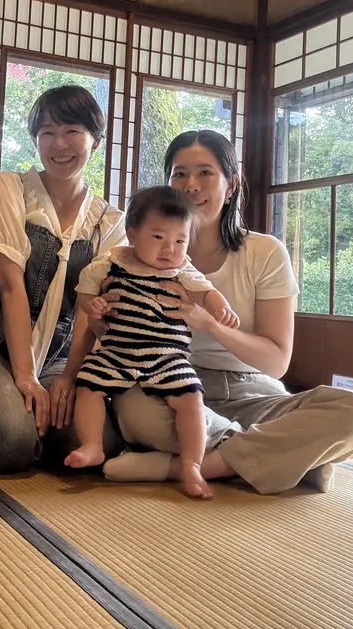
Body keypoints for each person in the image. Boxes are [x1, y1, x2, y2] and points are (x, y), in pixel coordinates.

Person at [99, 130, 353, 495]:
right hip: (169, 390)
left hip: (253, 393)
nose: (191, 185)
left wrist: (210, 324)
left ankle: (183, 467)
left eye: (205, 173)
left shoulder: (264, 253)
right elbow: (116, 337)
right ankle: (291, 457)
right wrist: (100, 317)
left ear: (230, 186)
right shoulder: (136, 257)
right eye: (179, 174)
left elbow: (276, 362)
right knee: (134, 413)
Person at [0, 85, 126, 472]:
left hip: (59, 356)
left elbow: (87, 309)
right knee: (7, 440)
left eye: (72, 130)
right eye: (47, 132)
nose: (59, 144)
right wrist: (25, 377)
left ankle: (36, 430)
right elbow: (9, 284)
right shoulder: (10, 187)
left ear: (96, 139)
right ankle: (9, 422)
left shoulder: (108, 221)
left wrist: (70, 377)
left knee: (97, 442)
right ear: (35, 140)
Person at [60, 186, 238, 500]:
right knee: (88, 384)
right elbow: (86, 292)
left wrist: (221, 307)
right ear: (132, 234)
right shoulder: (111, 263)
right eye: (158, 237)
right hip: (117, 351)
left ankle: (191, 464)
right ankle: (92, 444)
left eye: (180, 241)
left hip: (167, 356)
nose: (170, 249)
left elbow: (207, 291)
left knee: (191, 400)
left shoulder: (182, 270)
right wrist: (94, 305)